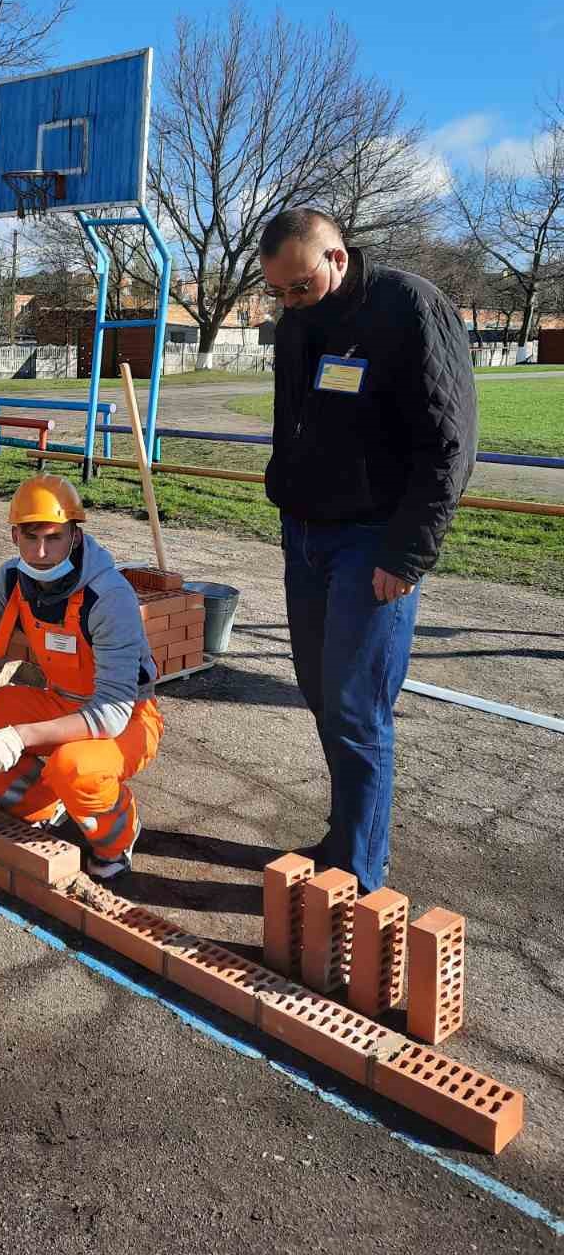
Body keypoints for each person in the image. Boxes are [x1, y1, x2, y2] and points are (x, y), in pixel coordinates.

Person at [259, 207, 477, 892]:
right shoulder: (298, 324)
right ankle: (345, 833)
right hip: (306, 535)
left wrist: (406, 555)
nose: (290, 303)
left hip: (372, 541)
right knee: (322, 695)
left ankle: (358, 874)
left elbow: (449, 443)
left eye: (300, 287)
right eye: (280, 293)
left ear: (338, 258)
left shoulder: (407, 307)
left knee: (357, 708)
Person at [0, 475, 162, 882]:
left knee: (75, 767)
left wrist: (18, 736)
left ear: (75, 534)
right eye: (30, 537)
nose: (40, 552)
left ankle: (117, 837)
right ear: (13, 535)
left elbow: (111, 712)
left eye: (53, 538)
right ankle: (36, 806)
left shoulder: (108, 596)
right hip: (59, 701)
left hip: (128, 717)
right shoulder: (8, 582)